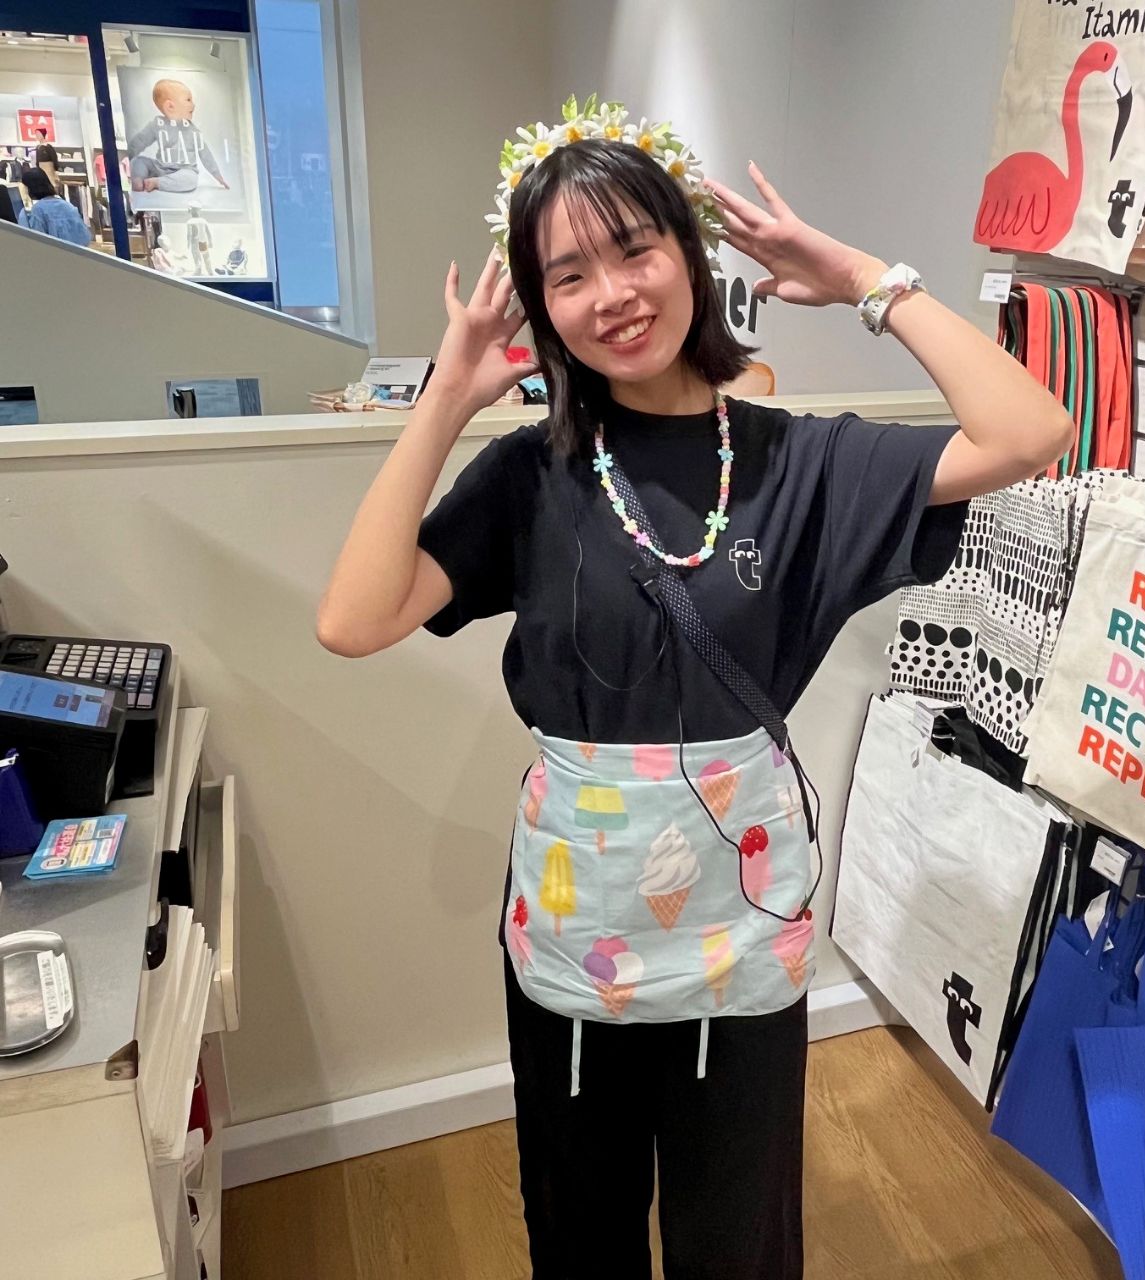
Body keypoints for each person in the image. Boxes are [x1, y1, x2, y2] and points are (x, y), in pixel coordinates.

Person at [317, 100, 1073, 1280]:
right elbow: (352, 619)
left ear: (686, 250)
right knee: (580, 1233)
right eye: (568, 274)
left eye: (633, 248)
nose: (610, 293)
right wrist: (445, 399)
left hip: (742, 933)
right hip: (572, 935)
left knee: (738, 1240)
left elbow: (1030, 431)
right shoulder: (530, 474)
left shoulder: (798, 461)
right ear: (542, 307)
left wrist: (864, 279)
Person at [128, 77, 231, 195]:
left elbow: (206, 155)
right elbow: (140, 141)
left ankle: (157, 183)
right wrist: (127, 157)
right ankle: (138, 180)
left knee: (191, 179)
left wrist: (218, 176)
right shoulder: (157, 124)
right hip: (159, 167)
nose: (193, 104)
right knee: (139, 161)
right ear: (170, 106)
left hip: (184, 171)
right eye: (188, 100)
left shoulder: (193, 131)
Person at [17, 167, 90, 247]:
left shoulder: (38, 210)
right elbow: (85, 237)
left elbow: (38, 242)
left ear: (30, 188)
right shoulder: (67, 205)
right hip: (77, 252)